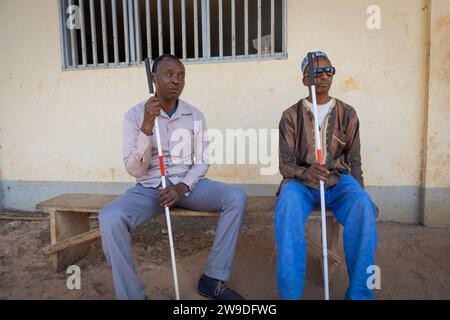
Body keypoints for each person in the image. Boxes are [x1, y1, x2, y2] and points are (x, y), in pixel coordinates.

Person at [99, 54, 247, 300]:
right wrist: (147, 125)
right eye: (168, 74)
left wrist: (182, 187)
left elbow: (202, 159)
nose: (175, 80)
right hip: (149, 188)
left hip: (186, 184)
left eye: (180, 75)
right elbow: (135, 170)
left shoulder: (195, 115)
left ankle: (212, 278)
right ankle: (132, 296)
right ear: (153, 77)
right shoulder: (134, 115)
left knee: (236, 197)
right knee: (110, 217)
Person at [275, 51, 378, 300]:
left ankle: (360, 296)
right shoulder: (290, 116)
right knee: (287, 209)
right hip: (300, 184)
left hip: (338, 181)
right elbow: (285, 165)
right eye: (316, 72)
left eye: (328, 71)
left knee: (363, 207)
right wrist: (306, 171)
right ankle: (291, 295)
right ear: (304, 80)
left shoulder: (348, 113)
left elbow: (354, 160)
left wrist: (360, 192)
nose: (323, 75)